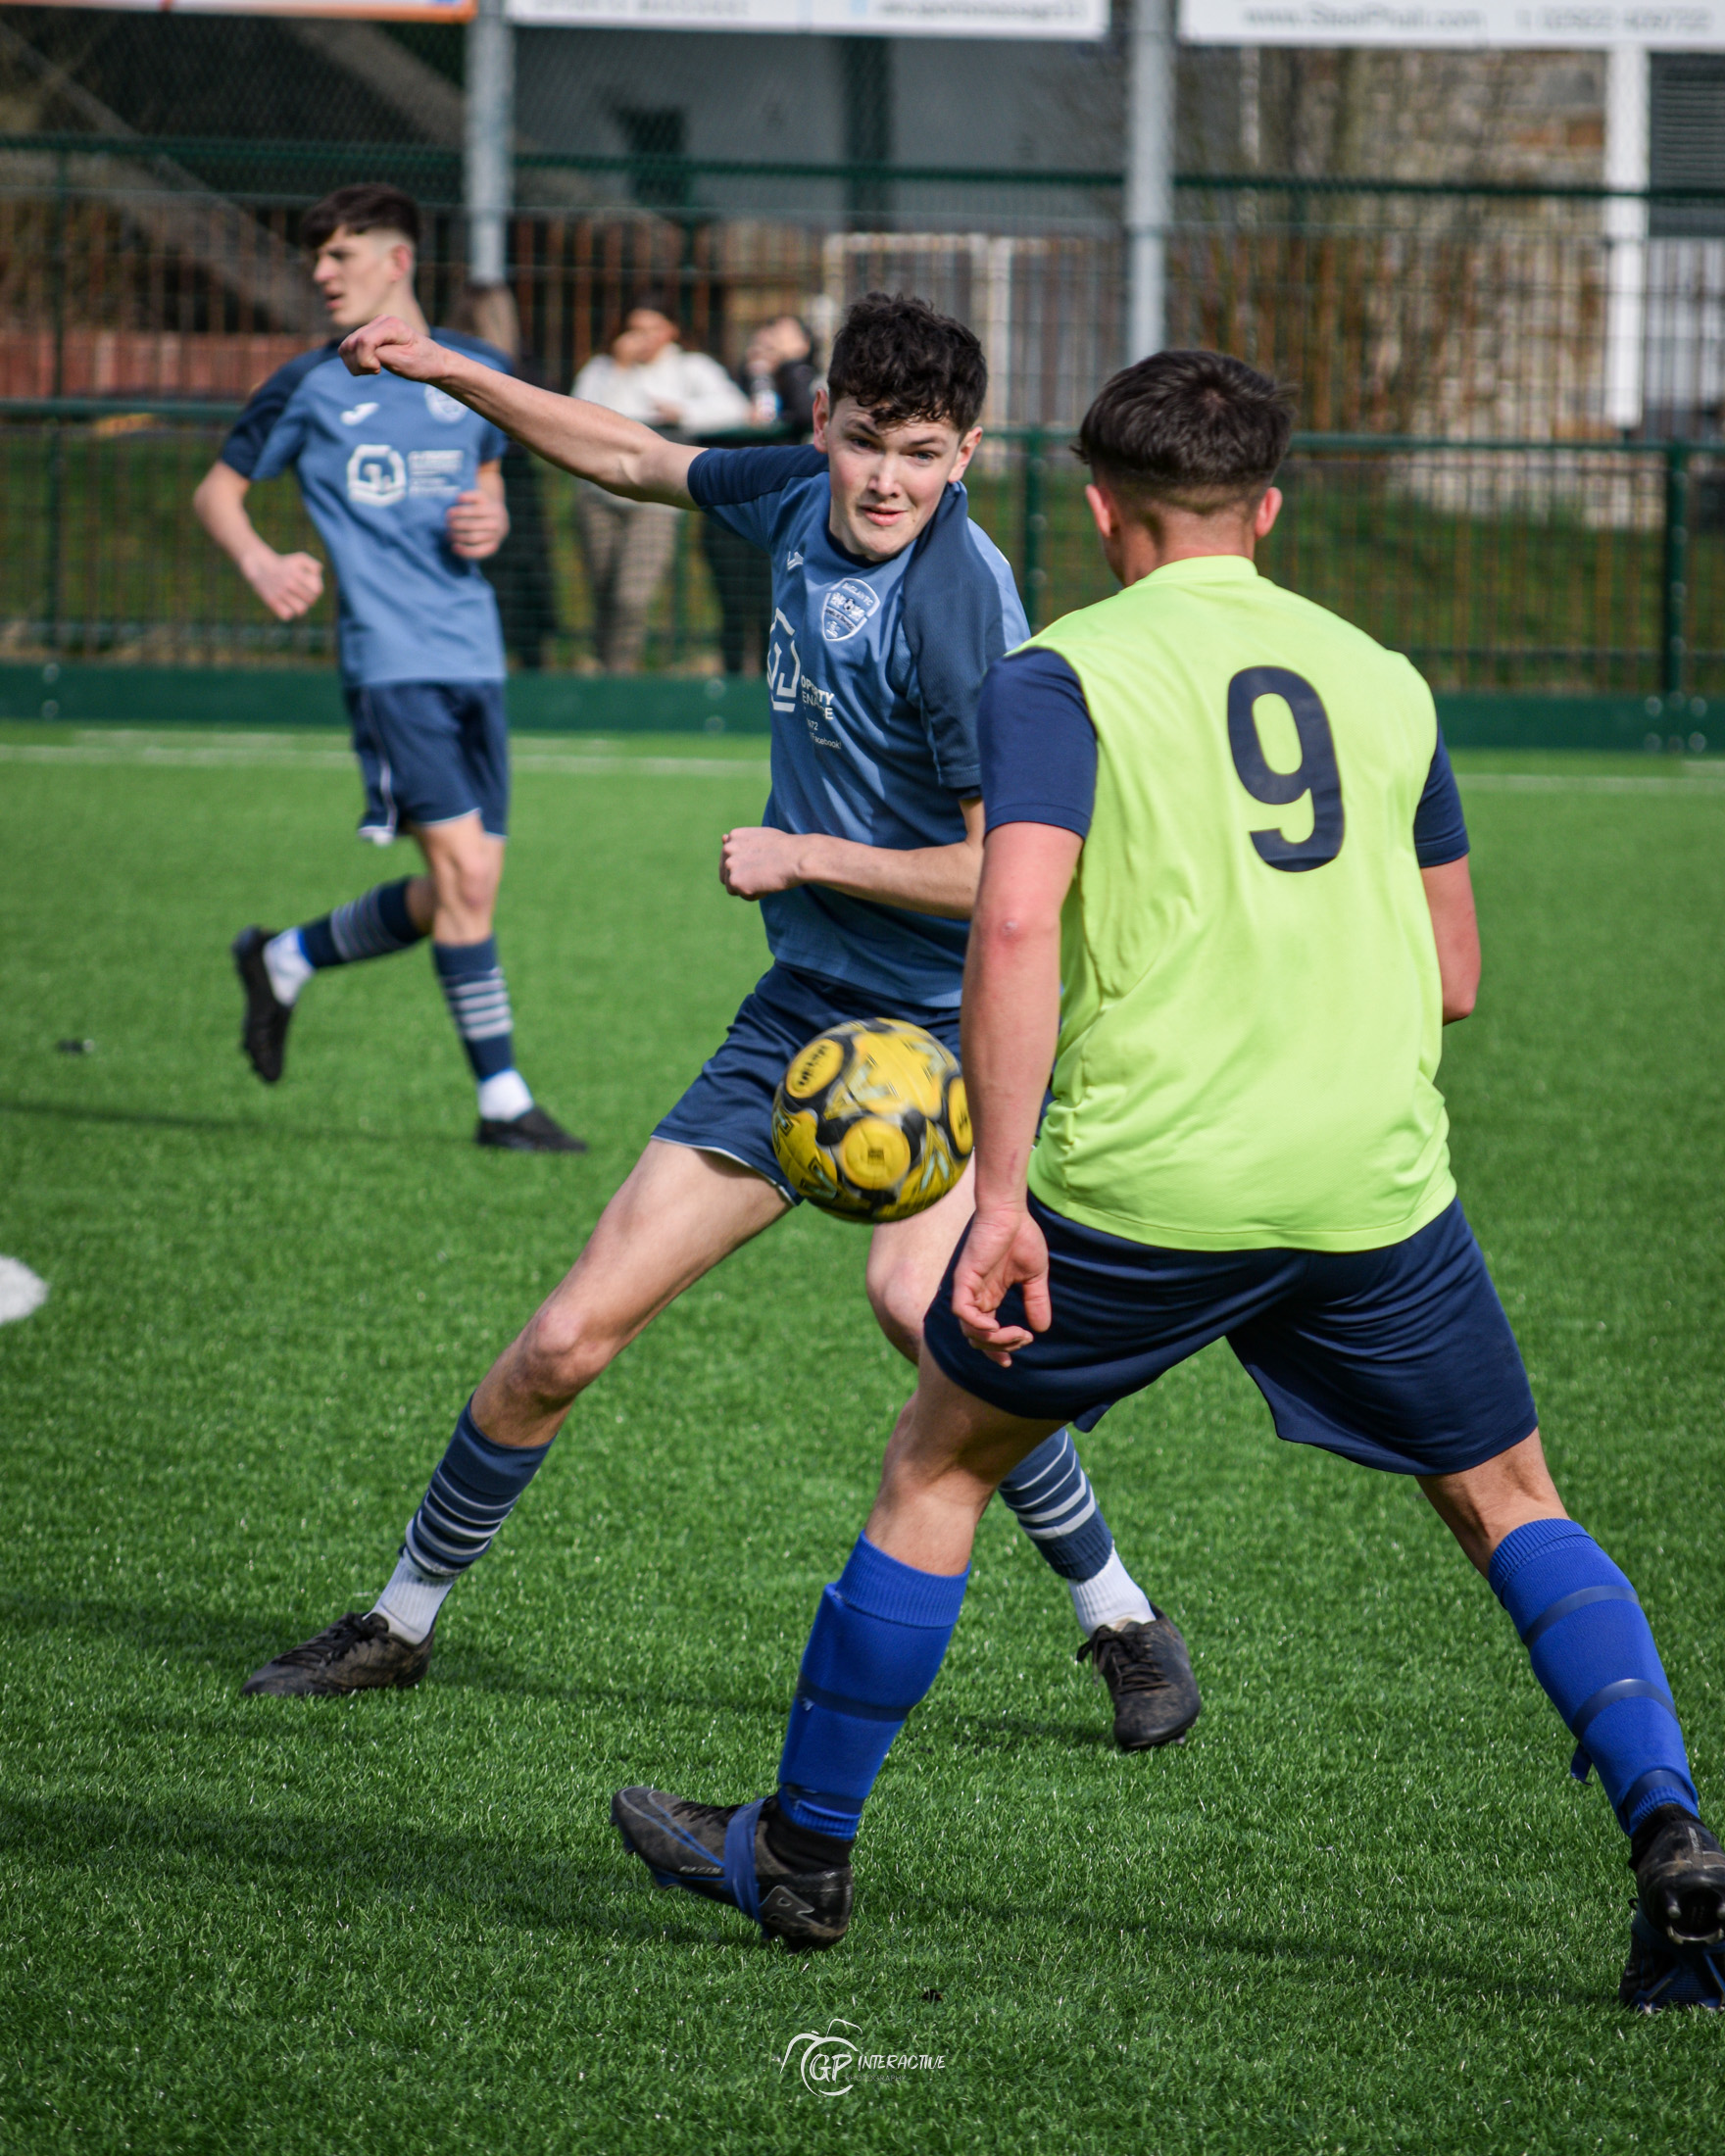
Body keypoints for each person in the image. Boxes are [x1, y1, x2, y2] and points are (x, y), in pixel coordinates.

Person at [608, 348, 1725, 2012]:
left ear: (1101, 506)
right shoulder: (1386, 677)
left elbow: (1008, 919)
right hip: (1373, 1188)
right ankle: (1676, 1844)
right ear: (1268, 509)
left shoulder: (1061, 675)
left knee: (938, 1468)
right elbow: (1460, 973)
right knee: (1512, 1506)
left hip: (1145, 1191)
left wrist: (993, 1201)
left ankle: (801, 1850)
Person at [239, 292, 1197, 1760]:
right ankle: (400, 1621)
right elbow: (631, 458)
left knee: (919, 1313)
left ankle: (1119, 1617)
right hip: (801, 1012)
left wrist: (805, 853)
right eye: (865, 441)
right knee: (564, 1339)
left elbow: (1009, 878)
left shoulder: (961, 618)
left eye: (923, 455)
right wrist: (454, 370)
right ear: (820, 422)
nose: (886, 480)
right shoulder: (800, 499)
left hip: (954, 1015)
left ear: (969, 455)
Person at [193, 183, 581, 1154]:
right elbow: (217, 491)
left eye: (339, 254)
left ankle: (284, 956)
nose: (320, 274)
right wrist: (259, 560)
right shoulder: (311, 384)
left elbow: (486, 484)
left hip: (474, 657)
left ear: (397, 260)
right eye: (315, 257)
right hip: (391, 663)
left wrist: (487, 521)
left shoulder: (474, 372)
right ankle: (503, 1102)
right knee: (460, 872)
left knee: (465, 885)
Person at [570, 292, 750, 672]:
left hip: (655, 502)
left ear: (671, 331)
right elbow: (579, 416)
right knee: (603, 593)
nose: (643, 338)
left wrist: (684, 412)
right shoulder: (602, 369)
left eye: (652, 329)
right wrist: (619, 370)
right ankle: (605, 671)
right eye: (636, 329)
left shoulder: (690, 368)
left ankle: (619, 673)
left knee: (631, 596)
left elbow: (735, 407)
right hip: (598, 497)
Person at [450, 281, 563, 673]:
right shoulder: (515, 366)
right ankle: (527, 661)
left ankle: (499, 659)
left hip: (481, 476)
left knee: (502, 572)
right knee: (516, 572)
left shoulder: (461, 361)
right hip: (507, 479)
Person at [701, 316, 819, 676]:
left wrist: (791, 367)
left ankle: (774, 686)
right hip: (733, 508)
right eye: (767, 337)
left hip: (782, 511)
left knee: (775, 605)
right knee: (734, 604)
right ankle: (734, 679)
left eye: (784, 337)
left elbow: (805, 416)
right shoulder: (736, 381)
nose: (771, 344)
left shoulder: (810, 380)